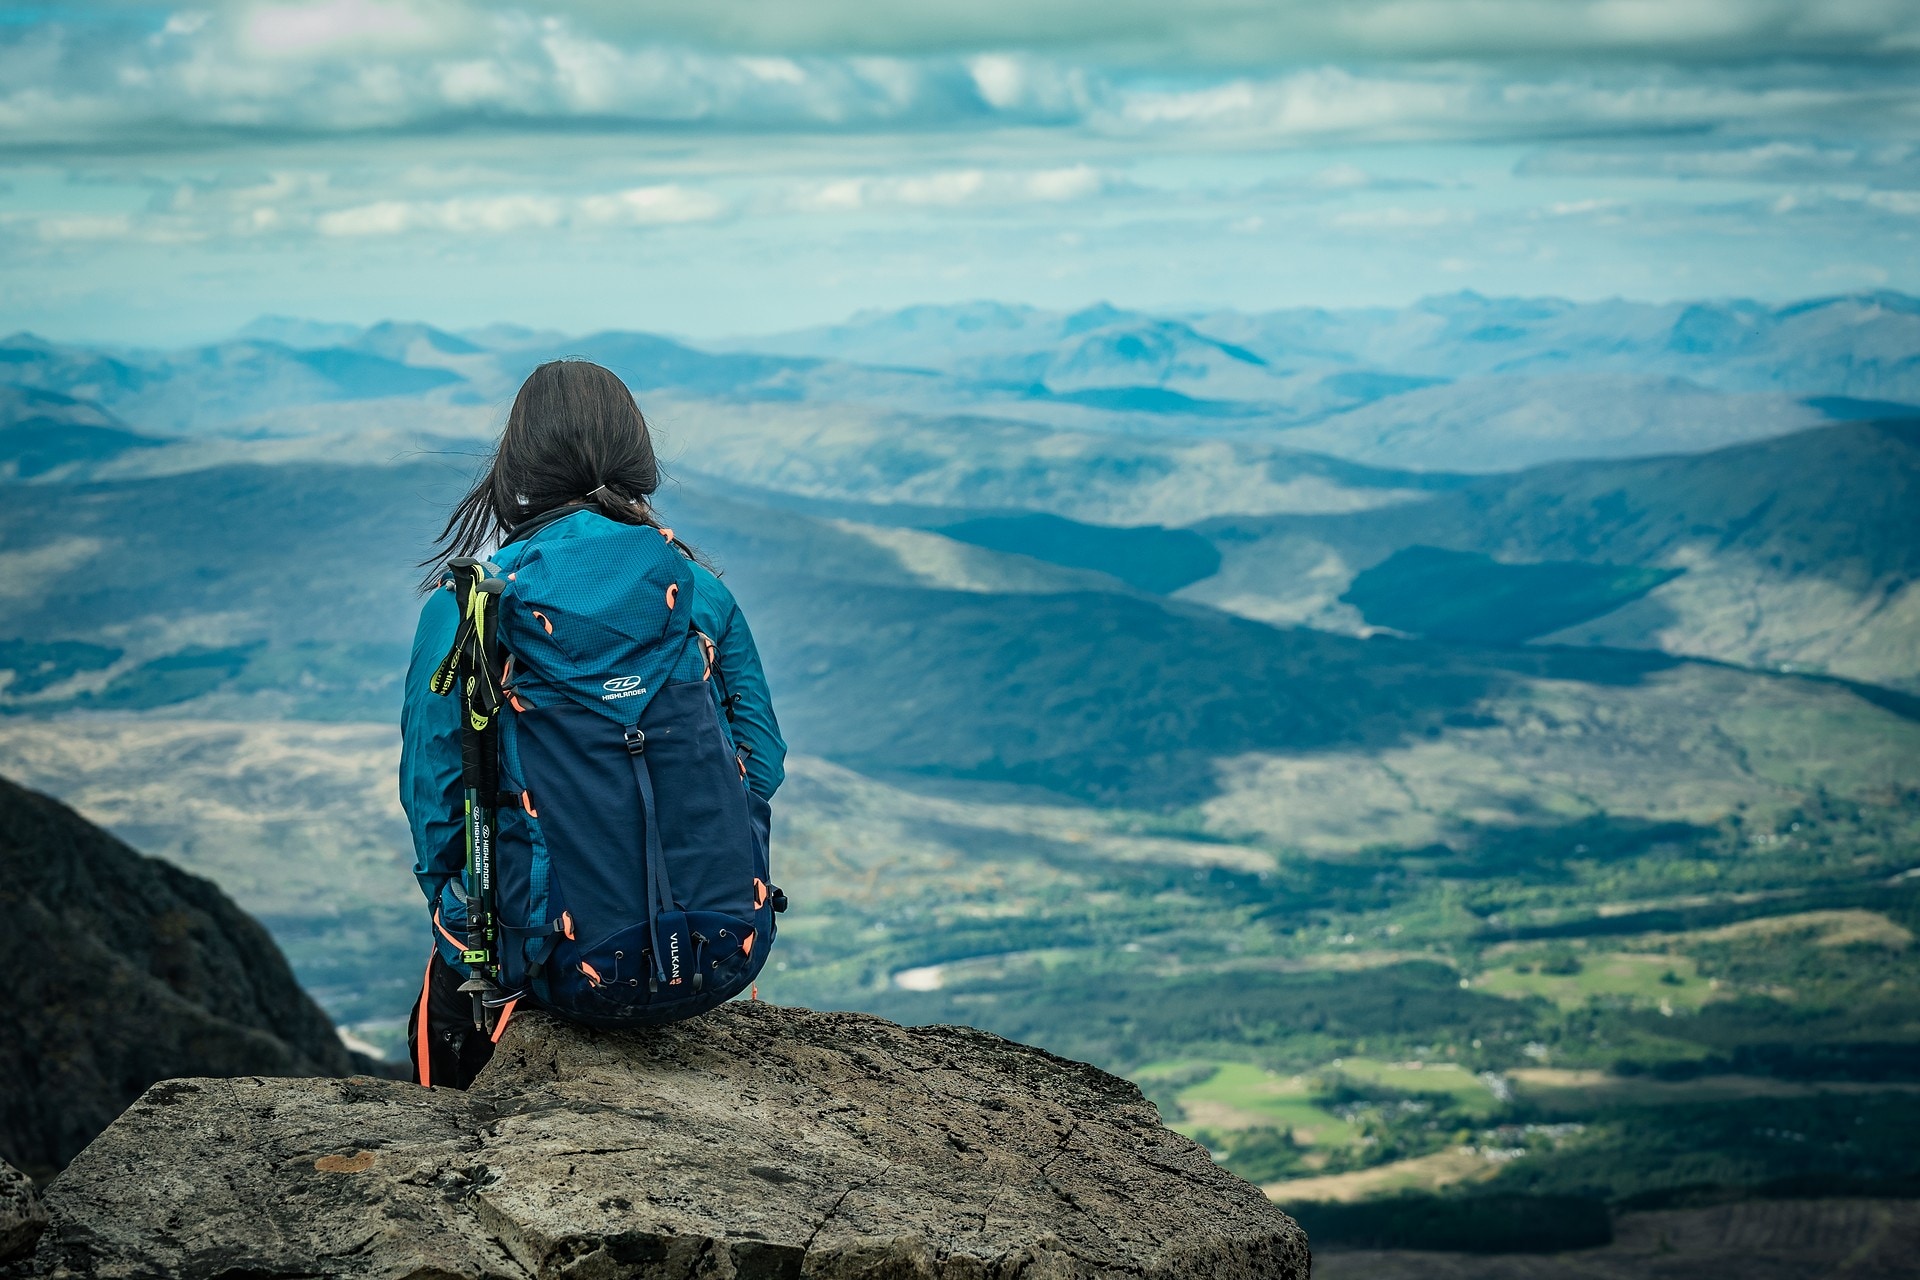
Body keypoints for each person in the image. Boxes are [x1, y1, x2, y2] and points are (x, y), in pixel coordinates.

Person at [398, 359, 785, 1088]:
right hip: (720, 954)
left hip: (539, 968)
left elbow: (439, 805)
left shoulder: (466, 609)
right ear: (638, 459)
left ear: (516, 468)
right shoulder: (696, 590)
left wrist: (469, 922)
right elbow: (759, 766)